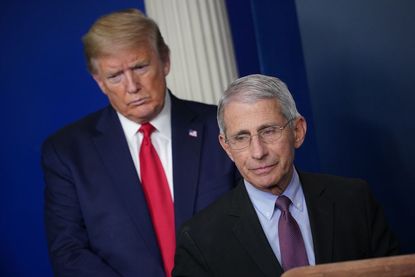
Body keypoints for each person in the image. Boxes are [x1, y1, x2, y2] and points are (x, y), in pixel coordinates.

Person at [41, 8, 238, 277]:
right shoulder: (67, 152)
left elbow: (258, 222)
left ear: (165, 61)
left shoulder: (222, 126)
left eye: (140, 67)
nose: (132, 86)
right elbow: (69, 252)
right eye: (115, 76)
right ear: (99, 82)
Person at [172, 74, 399, 277]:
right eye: (241, 138)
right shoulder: (199, 239)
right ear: (226, 147)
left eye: (269, 131)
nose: (258, 152)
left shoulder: (355, 201)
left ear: (297, 131)